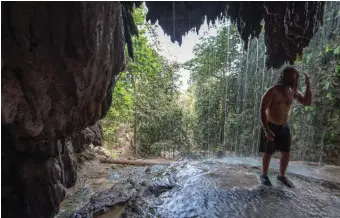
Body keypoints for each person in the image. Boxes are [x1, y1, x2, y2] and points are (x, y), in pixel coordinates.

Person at [259, 66, 312, 187]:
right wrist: (266, 130)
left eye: (295, 77)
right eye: (290, 76)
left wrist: (308, 85)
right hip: (270, 125)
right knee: (268, 152)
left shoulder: (293, 92)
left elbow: (307, 102)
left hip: (283, 126)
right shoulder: (273, 91)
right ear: (283, 77)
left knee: (286, 152)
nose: (293, 79)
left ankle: (281, 177)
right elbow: (262, 110)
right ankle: (264, 175)